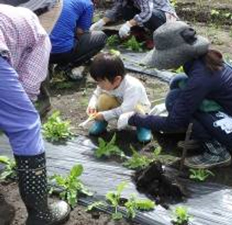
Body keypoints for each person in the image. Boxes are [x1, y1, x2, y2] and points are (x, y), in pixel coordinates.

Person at [119, 21, 232, 169]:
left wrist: (133, 118)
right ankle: (206, 136)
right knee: (177, 84)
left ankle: (217, 152)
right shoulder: (203, 60)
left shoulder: (201, 75)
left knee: (175, 102)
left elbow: (173, 123)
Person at [0, 4, 70, 225]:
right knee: (26, 124)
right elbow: (29, 91)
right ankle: (41, 215)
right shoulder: (40, 35)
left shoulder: (10, 16)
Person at [87, 52, 152, 142]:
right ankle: (101, 122)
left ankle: (143, 126)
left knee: (138, 111)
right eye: (97, 82)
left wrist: (104, 115)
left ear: (117, 79)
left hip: (135, 110)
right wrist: (92, 105)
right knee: (102, 99)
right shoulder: (105, 83)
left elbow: (126, 109)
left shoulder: (132, 86)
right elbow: (96, 94)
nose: (99, 85)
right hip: (120, 106)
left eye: (101, 81)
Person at [49, 0, 107, 80]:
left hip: (39, 52)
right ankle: (65, 67)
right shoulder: (87, 3)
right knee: (100, 37)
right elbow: (80, 32)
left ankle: (48, 65)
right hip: (61, 53)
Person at [90, 0, 178, 39]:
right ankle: (140, 33)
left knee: (152, 14)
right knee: (124, 8)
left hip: (164, 15)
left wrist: (129, 24)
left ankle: (156, 36)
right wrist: (101, 22)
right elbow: (117, 8)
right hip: (145, 12)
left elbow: (147, 12)